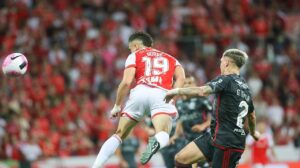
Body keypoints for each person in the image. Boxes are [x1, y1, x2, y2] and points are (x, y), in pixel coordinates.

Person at [91, 32, 185, 168]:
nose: (131, 50)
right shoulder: (172, 59)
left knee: (119, 134)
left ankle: (95, 166)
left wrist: (117, 105)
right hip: (162, 94)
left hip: (140, 92)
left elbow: (126, 82)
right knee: (163, 132)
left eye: (130, 48)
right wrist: (173, 97)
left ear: (135, 45)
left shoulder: (134, 55)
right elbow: (181, 78)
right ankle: (156, 142)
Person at [165, 49, 261, 168]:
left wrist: (176, 91)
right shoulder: (246, 88)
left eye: (221, 61)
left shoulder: (226, 80)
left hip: (228, 143)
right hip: (214, 136)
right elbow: (251, 116)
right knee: (181, 159)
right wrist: (253, 133)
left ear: (226, 63)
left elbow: (201, 91)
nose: (220, 64)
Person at [161, 75, 212, 168]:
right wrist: (175, 135)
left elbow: (214, 119)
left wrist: (203, 126)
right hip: (187, 141)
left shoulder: (203, 100)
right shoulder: (179, 103)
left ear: (195, 84)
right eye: (185, 83)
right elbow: (181, 120)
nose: (187, 85)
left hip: (202, 141)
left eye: (190, 83)